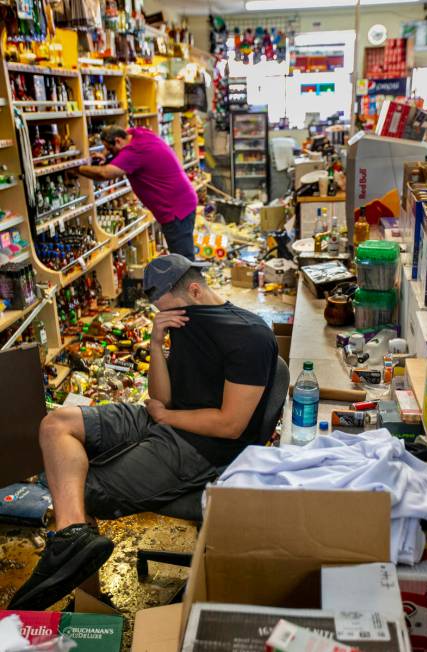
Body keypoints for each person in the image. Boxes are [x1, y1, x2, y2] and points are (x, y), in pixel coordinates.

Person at [9, 254, 278, 610]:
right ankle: (71, 541)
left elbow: (230, 425)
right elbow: (160, 397)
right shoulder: (183, 320)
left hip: (203, 447)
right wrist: (156, 342)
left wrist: (167, 418)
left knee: (76, 490)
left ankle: (80, 582)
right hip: (162, 420)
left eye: (166, 309)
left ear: (194, 290)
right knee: (56, 425)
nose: (165, 317)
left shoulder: (249, 336)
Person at [78, 126, 198, 260]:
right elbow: (123, 135)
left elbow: (104, 173)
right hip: (184, 201)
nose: (109, 152)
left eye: (110, 149)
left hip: (175, 210)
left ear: (118, 141)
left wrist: (78, 169)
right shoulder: (139, 133)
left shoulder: (133, 152)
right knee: (181, 257)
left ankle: (190, 281)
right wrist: (105, 155)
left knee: (183, 262)